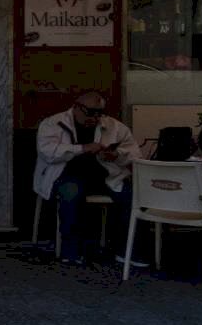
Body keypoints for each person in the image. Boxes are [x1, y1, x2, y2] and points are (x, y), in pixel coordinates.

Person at [35, 91, 138, 264]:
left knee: (131, 197)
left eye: (100, 113)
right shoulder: (53, 123)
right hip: (67, 174)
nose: (95, 118)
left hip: (104, 175)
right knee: (71, 193)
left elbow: (134, 153)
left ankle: (125, 250)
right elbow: (48, 152)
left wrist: (117, 155)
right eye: (91, 112)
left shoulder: (114, 126)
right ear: (76, 107)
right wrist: (82, 148)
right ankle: (71, 249)